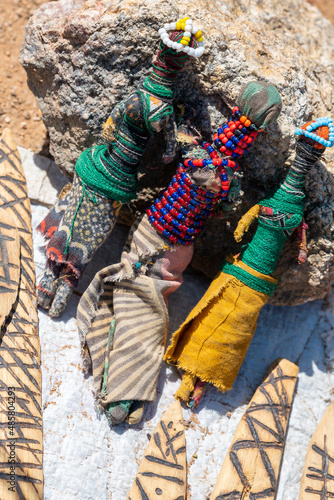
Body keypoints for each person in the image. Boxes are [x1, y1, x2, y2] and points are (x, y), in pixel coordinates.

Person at [77, 81, 283, 424]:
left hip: (170, 252)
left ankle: (126, 388)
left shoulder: (215, 170)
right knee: (142, 311)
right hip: (155, 242)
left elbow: (216, 191)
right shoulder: (203, 165)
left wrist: (219, 191)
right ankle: (122, 389)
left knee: (150, 315)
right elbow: (204, 178)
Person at [36, 17, 205, 317]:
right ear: (177, 70)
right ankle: (59, 301)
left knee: (69, 224)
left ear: (156, 58)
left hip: (98, 166)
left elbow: (108, 131)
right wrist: (146, 164)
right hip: (121, 181)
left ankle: (45, 287)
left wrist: (112, 149)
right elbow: (167, 155)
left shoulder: (133, 101)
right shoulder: (166, 113)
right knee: (86, 245)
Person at [164, 117, 334, 407]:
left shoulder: (281, 208)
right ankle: (196, 375)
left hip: (247, 274)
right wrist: (300, 252)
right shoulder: (290, 213)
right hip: (252, 277)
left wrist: (244, 227)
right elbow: (299, 246)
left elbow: (251, 220)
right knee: (225, 324)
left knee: (225, 322)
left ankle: (197, 375)